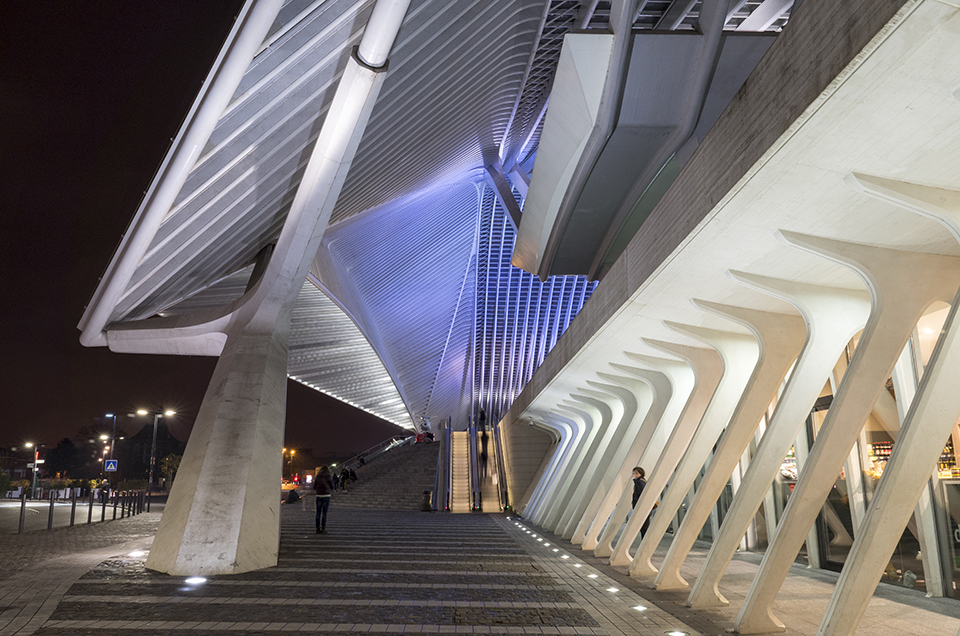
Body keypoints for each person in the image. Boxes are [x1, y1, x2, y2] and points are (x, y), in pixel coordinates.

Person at [314, 465, 335, 534]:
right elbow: (332, 487)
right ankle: (323, 528)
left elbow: (314, 487)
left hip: (319, 495)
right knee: (324, 513)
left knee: (318, 513)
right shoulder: (329, 476)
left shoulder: (318, 476)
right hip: (326, 495)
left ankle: (317, 528)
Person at [632, 467, 651, 537]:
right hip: (642, 508)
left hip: (643, 509)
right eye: (633, 473)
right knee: (643, 528)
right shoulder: (638, 482)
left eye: (636, 473)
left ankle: (645, 545)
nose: (634, 474)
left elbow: (642, 495)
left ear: (641, 474)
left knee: (644, 528)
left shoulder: (640, 482)